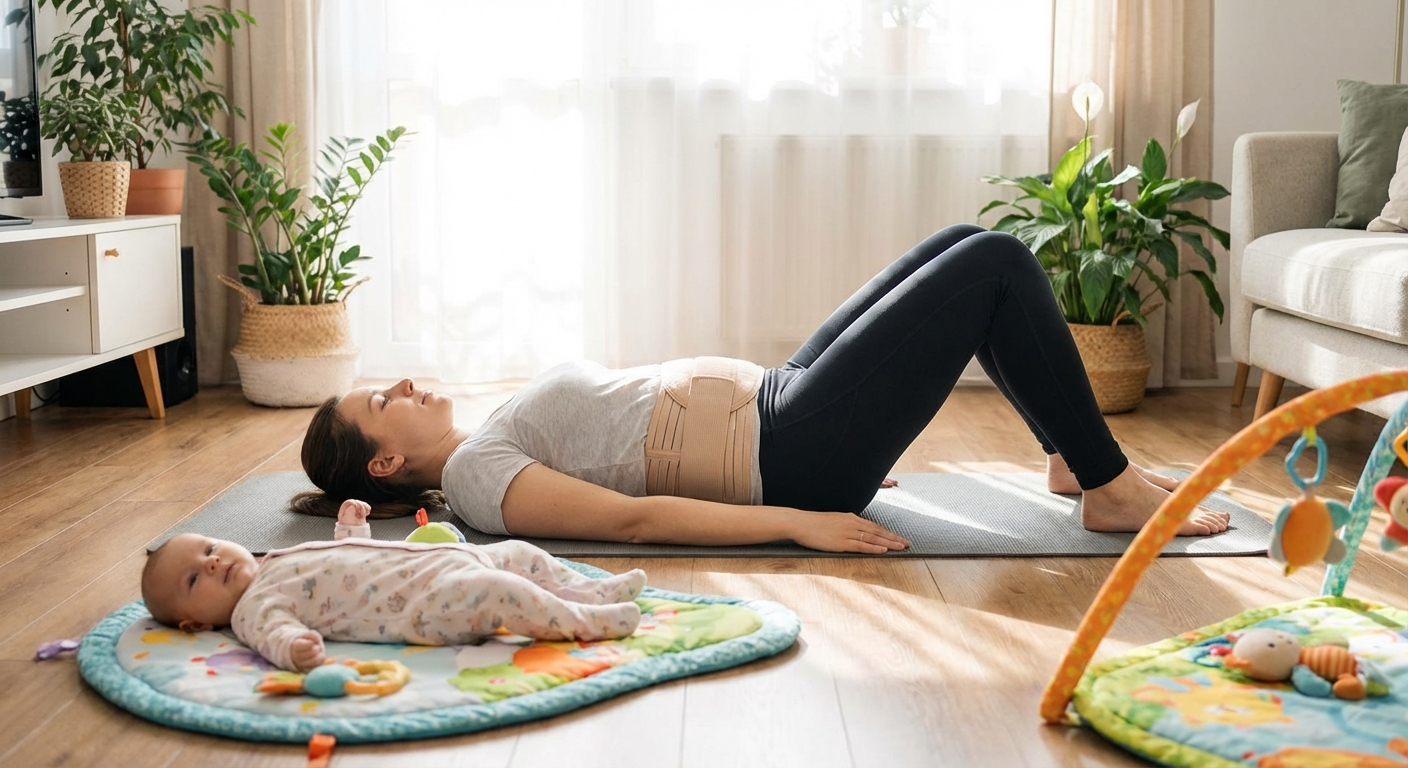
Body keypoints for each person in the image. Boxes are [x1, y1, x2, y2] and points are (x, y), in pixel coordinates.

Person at [293, 224, 1230, 554]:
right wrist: (799, 517)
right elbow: (633, 522)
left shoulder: (483, 442)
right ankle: (1107, 490)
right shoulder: (477, 482)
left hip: (776, 406)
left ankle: (1069, 459)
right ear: (384, 459)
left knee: (957, 242)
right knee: (994, 266)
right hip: (786, 453)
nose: (404, 385)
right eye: (384, 400)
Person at [141, 499, 647, 672]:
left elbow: (350, 564)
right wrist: (293, 648)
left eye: (208, 549)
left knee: (518, 553)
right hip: (428, 606)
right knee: (501, 591)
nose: (211, 564)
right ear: (193, 622)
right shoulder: (253, 611)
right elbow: (273, 634)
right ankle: (586, 624)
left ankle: (587, 590)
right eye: (193, 578)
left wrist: (350, 529)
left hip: (443, 559)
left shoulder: (273, 560)